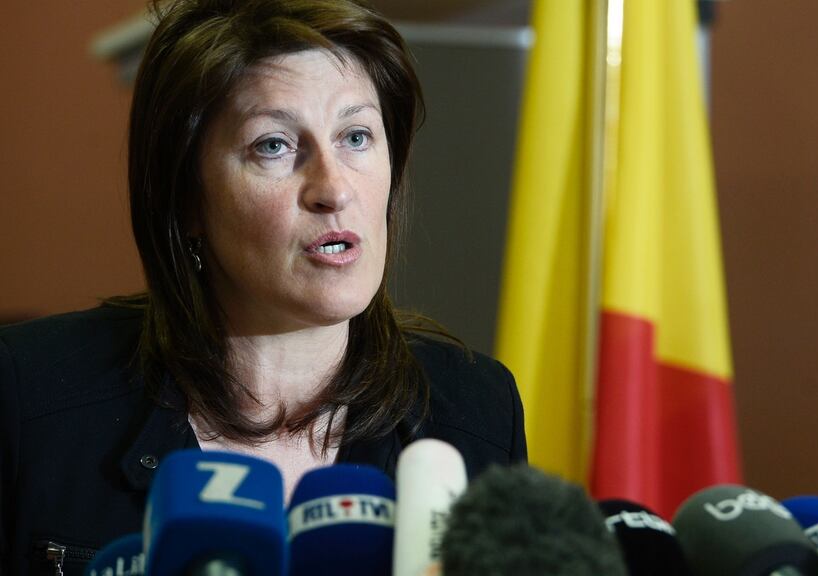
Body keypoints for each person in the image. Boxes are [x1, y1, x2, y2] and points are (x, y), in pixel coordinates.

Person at [0, 0, 527, 573]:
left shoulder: (475, 412)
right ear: (187, 198)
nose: (334, 189)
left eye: (356, 136)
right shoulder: (30, 395)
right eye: (274, 145)